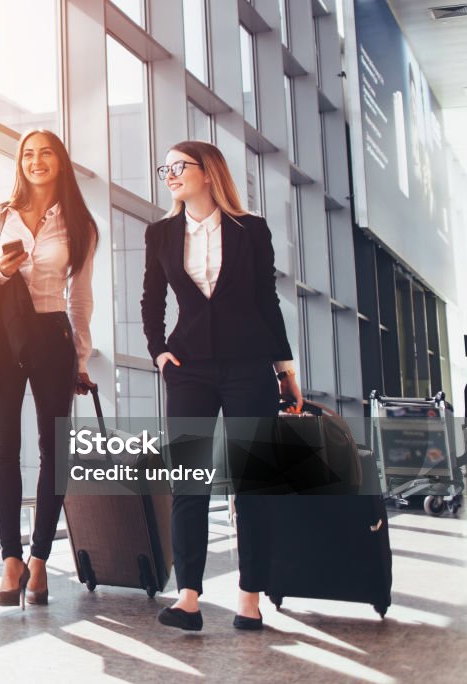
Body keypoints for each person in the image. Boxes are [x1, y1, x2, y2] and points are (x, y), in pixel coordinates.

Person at [140, 140, 303, 631]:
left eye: (179, 166)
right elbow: (150, 299)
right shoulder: (161, 233)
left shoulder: (250, 230)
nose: (169, 174)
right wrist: (158, 351)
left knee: (251, 483)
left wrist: (284, 370)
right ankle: (188, 596)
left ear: (208, 172)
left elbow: (267, 301)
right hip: (187, 367)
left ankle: (249, 597)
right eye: (164, 166)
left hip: (248, 366)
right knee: (189, 481)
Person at [0, 129, 97, 608]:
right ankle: (11, 561)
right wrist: (2, 269)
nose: (36, 161)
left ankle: (40, 559)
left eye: (45, 154)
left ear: (60, 161)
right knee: (4, 448)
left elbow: (80, 299)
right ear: (19, 162)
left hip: (52, 337)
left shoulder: (80, 224)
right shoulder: (0, 216)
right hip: (3, 335)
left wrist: (81, 358)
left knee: (53, 451)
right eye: (27, 154)